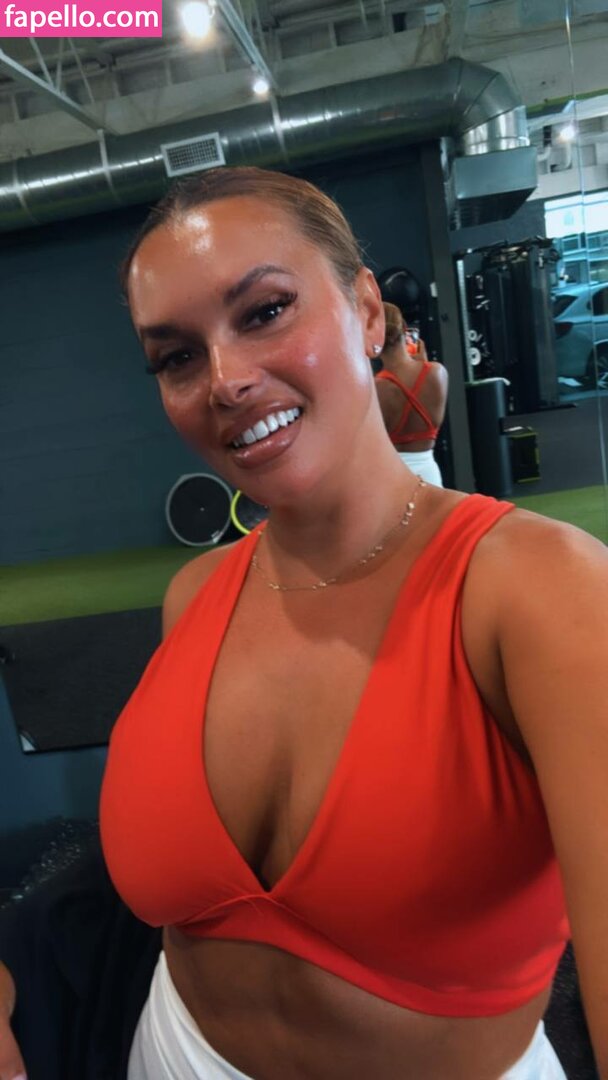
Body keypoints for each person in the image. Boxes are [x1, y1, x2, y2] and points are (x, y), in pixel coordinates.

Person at [2, 165, 608, 1080]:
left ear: (365, 311)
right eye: (176, 356)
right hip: (170, 1055)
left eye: (265, 312)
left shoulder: (543, 594)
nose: (226, 380)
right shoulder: (193, 595)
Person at [374, 301, 448, 485]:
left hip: (394, 479)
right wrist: (423, 364)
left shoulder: (376, 388)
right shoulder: (437, 372)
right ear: (405, 331)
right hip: (431, 476)